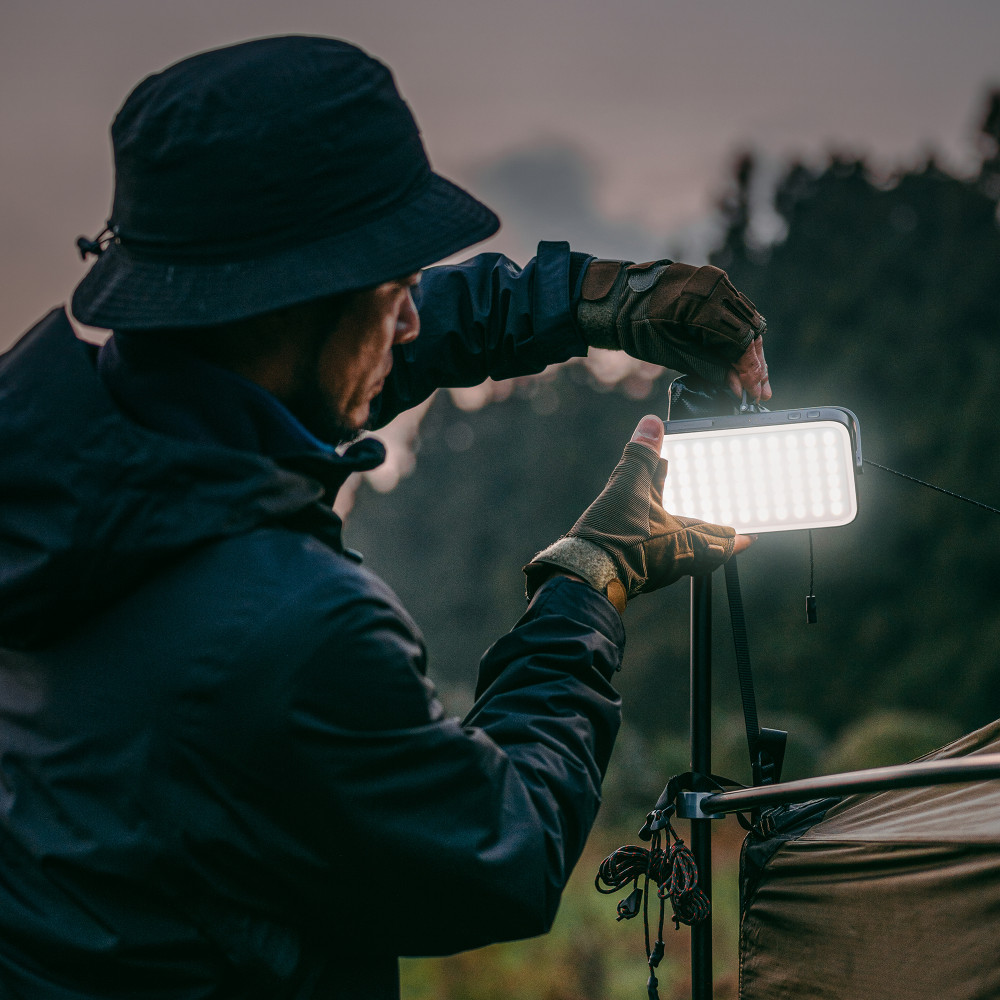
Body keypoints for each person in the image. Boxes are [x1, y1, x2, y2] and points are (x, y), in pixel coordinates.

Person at [0, 36, 767, 999]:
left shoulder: (78, 478)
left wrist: (590, 300)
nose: (410, 321)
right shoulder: (291, 628)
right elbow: (509, 847)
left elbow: (344, 357)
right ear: (290, 310)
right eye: (394, 289)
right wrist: (593, 576)